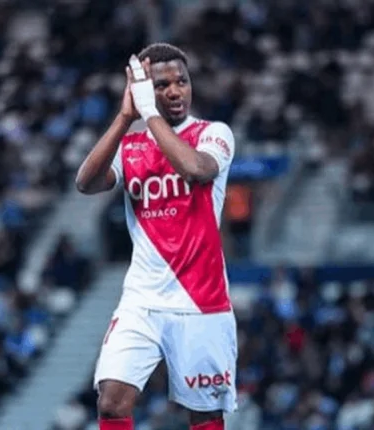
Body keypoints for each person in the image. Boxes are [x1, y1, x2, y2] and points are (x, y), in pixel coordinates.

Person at [75, 43, 238, 430]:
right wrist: (124, 117)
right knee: (111, 402)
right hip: (142, 300)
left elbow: (196, 170)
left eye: (182, 81)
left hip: (201, 301)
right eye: (162, 85)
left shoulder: (213, 134)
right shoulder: (131, 146)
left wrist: (150, 113)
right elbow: (86, 183)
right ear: (145, 90)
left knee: (205, 415)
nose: (175, 91)